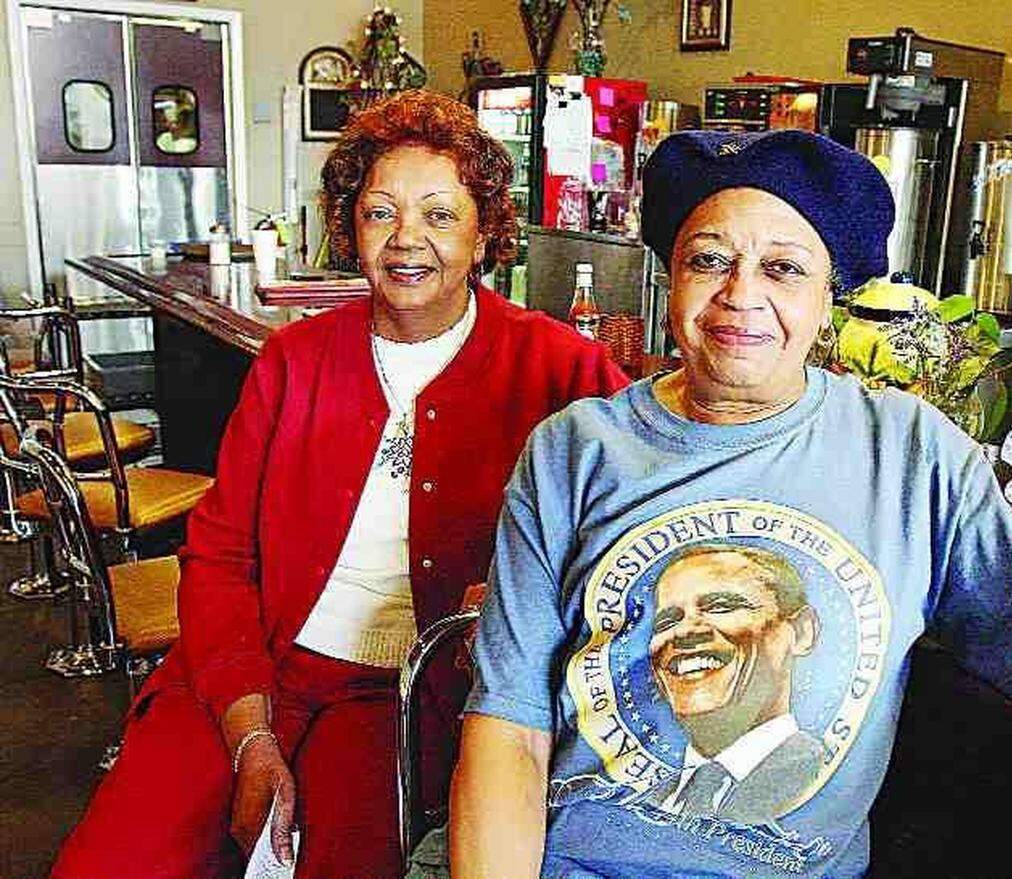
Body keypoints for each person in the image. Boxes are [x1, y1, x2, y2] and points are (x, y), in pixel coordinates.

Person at [449, 129, 1012, 879]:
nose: (740, 294)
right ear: (671, 279)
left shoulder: (908, 453)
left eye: (783, 268)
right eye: (709, 260)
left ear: (827, 299)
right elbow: (509, 730)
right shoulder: (575, 449)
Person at [50, 89, 628, 879]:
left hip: (407, 698)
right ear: (352, 230)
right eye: (380, 212)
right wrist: (251, 735)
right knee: (111, 862)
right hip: (247, 664)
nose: (406, 239)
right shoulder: (293, 360)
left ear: (485, 232)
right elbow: (219, 555)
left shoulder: (561, 368)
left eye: (439, 214)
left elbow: (624, 536)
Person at [642, 544, 822, 824]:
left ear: (801, 632)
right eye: (666, 621)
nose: (684, 631)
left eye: (720, 606)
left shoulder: (822, 775)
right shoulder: (646, 797)